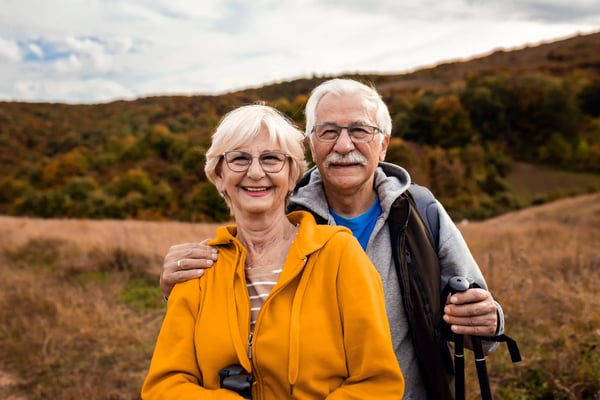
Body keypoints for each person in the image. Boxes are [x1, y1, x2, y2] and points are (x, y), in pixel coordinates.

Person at [159, 79, 504, 399]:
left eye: (359, 130)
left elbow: (478, 318)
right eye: (328, 132)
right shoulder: (281, 213)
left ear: (382, 144)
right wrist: (176, 291)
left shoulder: (420, 212)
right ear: (310, 145)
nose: (343, 145)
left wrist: (489, 321)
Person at [141, 104, 405, 399]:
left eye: (271, 159)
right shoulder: (198, 268)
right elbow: (163, 387)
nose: (255, 172)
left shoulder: (339, 254)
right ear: (218, 175)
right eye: (239, 159)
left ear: (293, 174)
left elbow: (377, 383)